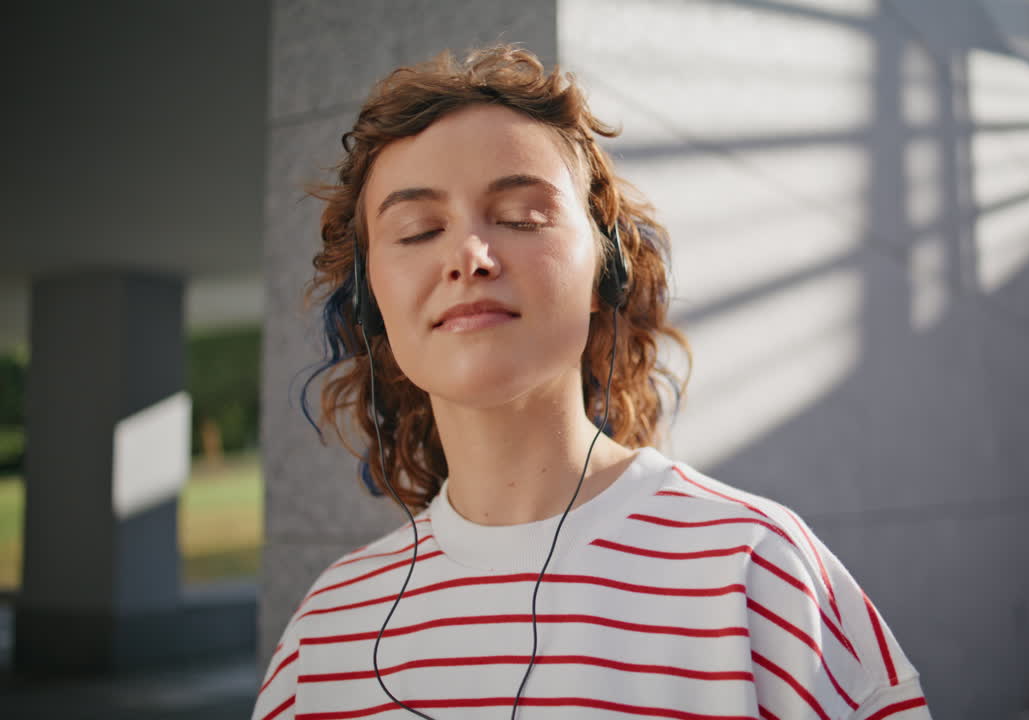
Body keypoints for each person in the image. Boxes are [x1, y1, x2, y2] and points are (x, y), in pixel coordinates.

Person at [253, 44, 930, 720]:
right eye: (419, 229)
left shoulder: (758, 572)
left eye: (520, 219)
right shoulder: (325, 635)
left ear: (607, 274)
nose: (469, 256)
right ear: (370, 301)